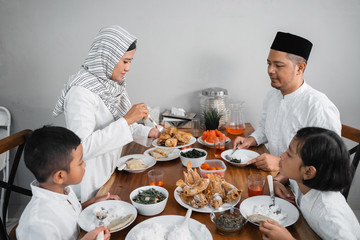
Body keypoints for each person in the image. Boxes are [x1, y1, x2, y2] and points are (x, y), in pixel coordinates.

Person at [53, 25, 160, 201]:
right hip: (90, 183)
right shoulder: (80, 93)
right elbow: (81, 149)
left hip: (108, 174)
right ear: (108, 58)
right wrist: (127, 120)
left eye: (130, 62)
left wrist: (148, 132)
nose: (128, 68)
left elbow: (113, 124)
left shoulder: (109, 86)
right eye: (125, 61)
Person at [233, 32, 341, 171]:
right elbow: (266, 128)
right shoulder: (272, 96)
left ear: (300, 68)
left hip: (302, 188)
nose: (270, 70)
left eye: (278, 65)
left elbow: (329, 163)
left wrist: (281, 164)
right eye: (269, 63)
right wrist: (252, 139)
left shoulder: (319, 107)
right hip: (274, 177)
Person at [17, 126, 120, 240]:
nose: (84, 164)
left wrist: (93, 202)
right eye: (80, 162)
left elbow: (71, 215)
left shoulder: (61, 190)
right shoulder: (39, 223)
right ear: (60, 176)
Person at [259, 127, 360, 240]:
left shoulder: (328, 214)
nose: (282, 155)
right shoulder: (303, 181)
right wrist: (276, 181)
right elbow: (288, 177)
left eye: (289, 154)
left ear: (308, 172)